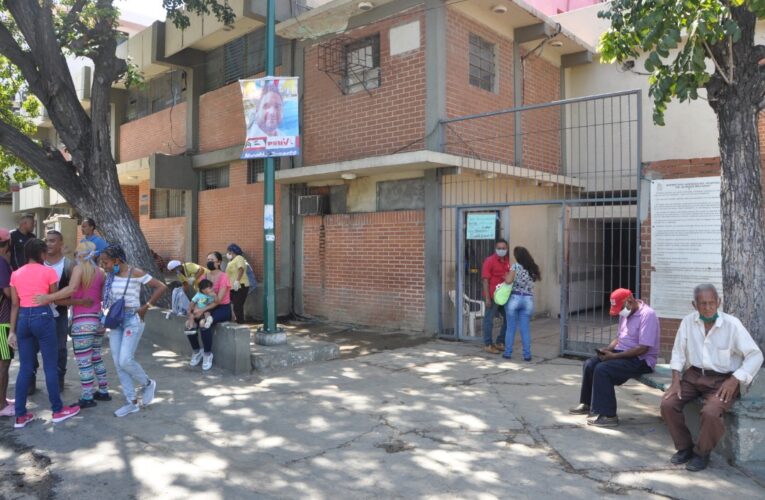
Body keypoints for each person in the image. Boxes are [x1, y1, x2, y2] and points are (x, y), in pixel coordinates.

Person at [660, 284, 763, 472]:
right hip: (694, 375)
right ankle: (684, 448)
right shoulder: (688, 322)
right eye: (703, 304)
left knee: (711, 412)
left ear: (719, 302)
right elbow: (678, 353)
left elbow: (755, 355)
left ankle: (702, 453)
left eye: (711, 303)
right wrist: (676, 380)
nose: (708, 308)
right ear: (694, 305)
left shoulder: (732, 325)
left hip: (723, 380)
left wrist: (735, 380)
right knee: (668, 404)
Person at [7, 239, 80, 428]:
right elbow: (52, 296)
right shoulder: (48, 272)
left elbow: (15, 303)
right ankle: (57, 410)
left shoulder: (16, 274)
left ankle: (20, 416)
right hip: (43, 317)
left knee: (25, 367)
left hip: (23, 319)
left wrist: (12, 331)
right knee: (50, 365)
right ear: (41, 254)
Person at [569, 288, 659, 427]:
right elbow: (619, 338)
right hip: (622, 353)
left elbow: (643, 348)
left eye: (621, 308)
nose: (620, 312)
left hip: (641, 359)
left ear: (629, 300)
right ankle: (587, 403)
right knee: (590, 364)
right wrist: (608, 349)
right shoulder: (625, 312)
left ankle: (609, 415)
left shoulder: (648, 315)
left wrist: (614, 356)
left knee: (602, 369)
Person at [36, 242, 110, 408]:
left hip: (82, 321)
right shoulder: (101, 272)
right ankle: (103, 391)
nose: (75, 256)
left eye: (76, 253)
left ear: (80, 255)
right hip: (98, 319)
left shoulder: (79, 269)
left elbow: (72, 288)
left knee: (84, 361)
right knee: (96, 356)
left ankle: (87, 396)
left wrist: (49, 297)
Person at [100, 244, 167, 417]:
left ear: (117, 260)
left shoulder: (135, 273)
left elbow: (161, 287)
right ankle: (132, 402)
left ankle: (147, 383)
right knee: (118, 362)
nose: (104, 266)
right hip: (116, 321)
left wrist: (147, 306)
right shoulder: (110, 276)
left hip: (132, 319)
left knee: (125, 359)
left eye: (106, 262)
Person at [186, 252, 232, 371]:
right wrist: (193, 310)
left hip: (221, 308)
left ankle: (207, 354)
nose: (209, 261)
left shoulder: (224, 277)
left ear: (219, 262)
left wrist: (202, 310)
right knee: (190, 326)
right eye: (207, 259)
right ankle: (196, 351)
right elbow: (199, 295)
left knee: (205, 325)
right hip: (206, 307)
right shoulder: (205, 276)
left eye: (212, 259)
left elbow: (218, 300)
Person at [43, 230, 75, 390]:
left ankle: (59, 378)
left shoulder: (68, 264)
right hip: (38, 313)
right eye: (47, 240)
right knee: (34, 347)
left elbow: (75, 289)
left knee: (60, 348)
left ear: (61, 243)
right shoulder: (38, 263)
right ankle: (31, 380)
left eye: (53, 241)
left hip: (60, 313)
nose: (49, 244)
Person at [502, 246, 541, 362]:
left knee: (511, 328)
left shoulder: (515, 266)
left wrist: (505, 276)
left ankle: (508, 353)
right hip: (528, 300)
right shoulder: (533, 268)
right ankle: (527, 355)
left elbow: (508, 281)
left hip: (515, 298)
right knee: (525, 329)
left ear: (517, 257)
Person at [481, 239, 510, 354]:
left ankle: (500, 342)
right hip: (492, 296)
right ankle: (488, 344)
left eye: (504, 248)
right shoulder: (489, 261)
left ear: (507, 249)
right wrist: (487, 298)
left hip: (504, 296)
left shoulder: (507, 261)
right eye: (499, 248)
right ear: (495, 248)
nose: (502, 250)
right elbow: (485, 280)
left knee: (509, 317)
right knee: (489, 320)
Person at [0, 229, 14, 417]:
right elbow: (7, 292)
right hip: (2, 322)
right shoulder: (2, 262)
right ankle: (1, 404)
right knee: (3, 362)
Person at [225, 244, 251, 324]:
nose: (227, 254)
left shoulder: (239, 258)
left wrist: (237, 281)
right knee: (233, 305)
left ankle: (240, 323)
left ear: (232, 251)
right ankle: (236, 321)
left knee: (237, 306)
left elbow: (241, 269)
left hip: (240, 285)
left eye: (228, 252)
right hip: (233, 287)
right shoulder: (232, 261)